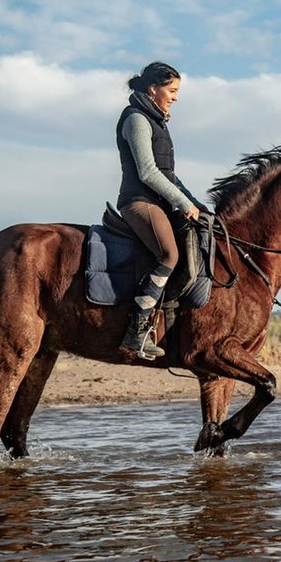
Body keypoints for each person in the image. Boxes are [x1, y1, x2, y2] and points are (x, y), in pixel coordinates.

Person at [114, 61, 209, 359]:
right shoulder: (137, 119)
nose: (176, 97)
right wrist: (182, 203)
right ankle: (136, 334)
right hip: (139, 202)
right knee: (170, 254)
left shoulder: (157, 121)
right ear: (153, 88)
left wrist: (195, 203)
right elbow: (148, 173)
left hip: (158, 200)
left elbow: (169, 175)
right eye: (172, 90)